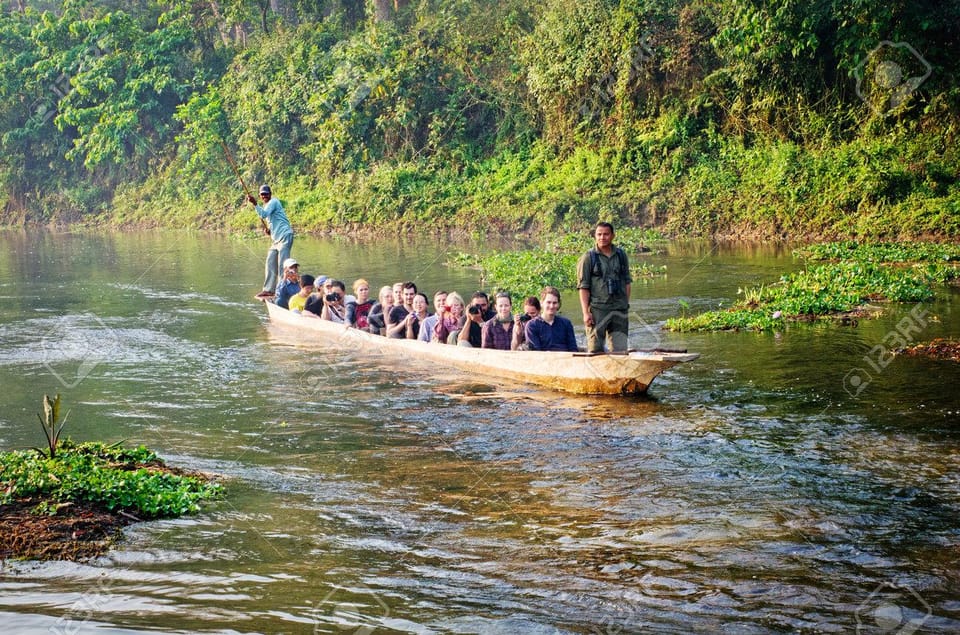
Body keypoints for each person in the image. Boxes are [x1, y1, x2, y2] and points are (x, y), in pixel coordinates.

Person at [577, 221, 632, 352]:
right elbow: (583, 287)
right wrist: (586, 313)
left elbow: (627, 282)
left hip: (619, 309)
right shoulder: (588, 258)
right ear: (595, 236)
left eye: (606, 234)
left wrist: (625, 304)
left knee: (620, 350)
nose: (602, 237)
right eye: (599, 234)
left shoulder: (621, 255)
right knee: (595, 349)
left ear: (613, 236)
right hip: (597, 310)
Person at [250, 184, 294, 299]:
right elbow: (273, 220)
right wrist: (270, 231)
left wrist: (255, 204)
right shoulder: (266, 206)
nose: (264, 196)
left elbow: (264, 215)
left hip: (284, 236)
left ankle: (281, 291)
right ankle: (269, 290)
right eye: (262, 194)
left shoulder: (274, 202)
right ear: (260, 196)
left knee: (282, 265)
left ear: (270, 194)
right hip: (276, 240)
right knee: (270, 261)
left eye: (266, 194)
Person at [525, 286, 579, 352]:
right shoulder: (532, 326)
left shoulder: (566, 323)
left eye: (554, 303)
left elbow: (573, 349)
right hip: (543, 360)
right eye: (548, 302)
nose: (551, 306)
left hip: (565, 360)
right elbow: (536, 353)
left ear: (558, 304)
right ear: (541, 303)